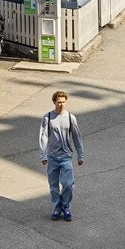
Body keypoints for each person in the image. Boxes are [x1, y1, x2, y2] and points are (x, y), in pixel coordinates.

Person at [39, 89, 85, 220]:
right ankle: (57, 207)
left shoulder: (71, 118)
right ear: (54, 102)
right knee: (53, 186)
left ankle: (66, 206)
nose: (61, 105)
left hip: (66, 157)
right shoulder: (47, 117)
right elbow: (43, 136)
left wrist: (80, 155)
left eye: (64, 102)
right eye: (59, 102)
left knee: (68, 184)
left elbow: (77, 137)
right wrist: (43, 154)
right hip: (52, 157)